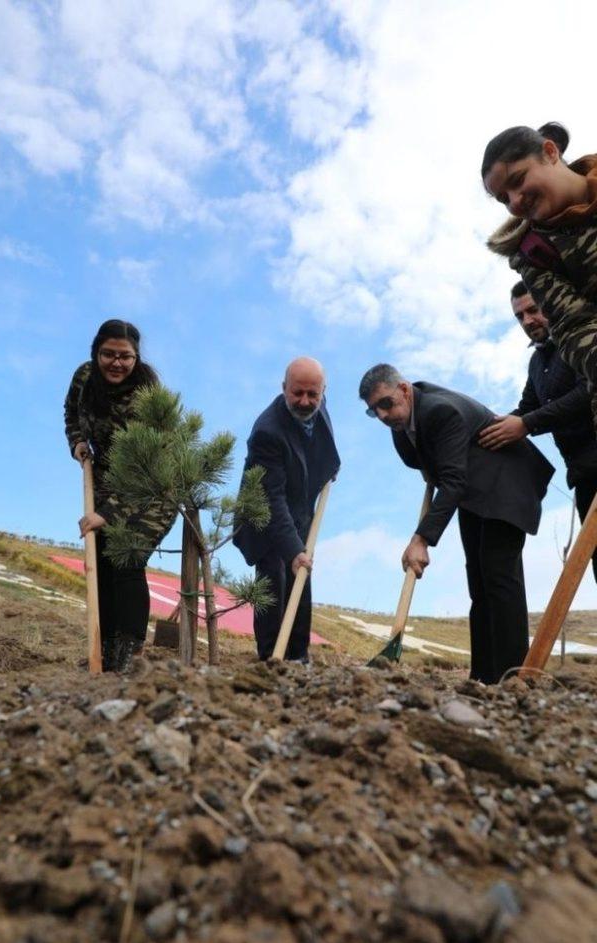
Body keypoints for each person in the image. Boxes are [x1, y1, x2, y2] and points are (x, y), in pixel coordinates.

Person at [358, 364, 554, 685]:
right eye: (373, 411)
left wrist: (421, 539)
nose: (382, 415)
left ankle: (514, 677)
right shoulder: (402, 428)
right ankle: (483, 677)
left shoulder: (438, 411)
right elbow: (428, 466)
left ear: (404, 390)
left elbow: (452, 482)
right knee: (478, 582)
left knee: (498, 575)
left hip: (506, 483)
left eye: (386, 403)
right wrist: (430, 467)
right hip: (474, 491)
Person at [64, 320, 172, 672]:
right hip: (108, 479)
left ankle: (129, 653)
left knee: (126, 557)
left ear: (136, 358)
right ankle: (105, 651)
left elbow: (149, 470)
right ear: (96, 353)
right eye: (108, 354)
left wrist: (107, 513)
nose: (116, 363)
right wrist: (78, 442)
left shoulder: (149, 398)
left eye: (125, 356)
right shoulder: (84, 378)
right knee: (103, 563)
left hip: (153, 489)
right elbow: (71, 415)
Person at [479, 282, 597, 581]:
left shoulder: (581, 338)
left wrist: (527, 424)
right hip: (583, 477)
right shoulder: (537, 363)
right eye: (520, 316)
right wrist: (482, 427)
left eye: (534, 310)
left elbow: (589, 391)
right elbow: (527, 407)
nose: (528, 320)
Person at [482, 122, 597, 428]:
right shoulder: (535, 254)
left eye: (518, 181)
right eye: (504, 199)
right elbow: (576, 329)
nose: (515, 202)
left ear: (549, 152)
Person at [233, 357, 340, 662]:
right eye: (297, 393)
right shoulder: (267, 432)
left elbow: (323, 438)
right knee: (275, 581)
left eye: (313, 394)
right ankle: (270, 658)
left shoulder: (318, 402)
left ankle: (298, 656)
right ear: (284, 389)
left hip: (299, 504)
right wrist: (294, 550)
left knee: (301, 580)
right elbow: (272, 500)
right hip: (265, 514)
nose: (305, 401)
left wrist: (331, 466)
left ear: (322, 391)